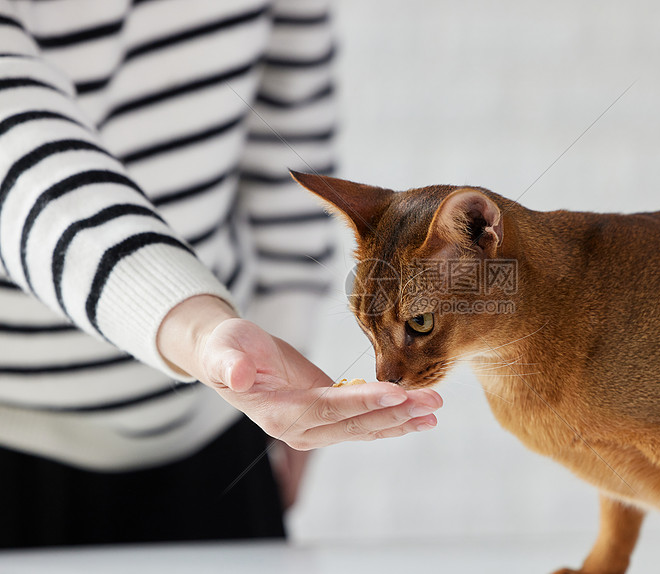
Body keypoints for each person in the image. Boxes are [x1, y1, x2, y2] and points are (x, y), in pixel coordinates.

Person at [0, 0, 442, 547]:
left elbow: (288, 116)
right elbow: (13, 146)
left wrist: (280, 360)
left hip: (226, 420)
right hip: (17, 436)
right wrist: (200, 328)